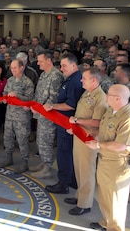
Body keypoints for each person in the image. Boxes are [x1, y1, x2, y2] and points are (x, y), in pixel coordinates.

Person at [86, 84, 130, 231]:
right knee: (104, 195)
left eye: (108, 94)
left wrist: (97, 145)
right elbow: (105, 131)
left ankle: (115, 228)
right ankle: (106, 222)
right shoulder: (112, 111)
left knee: (116, 200)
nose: (105, 95)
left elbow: (121, 146)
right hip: (105, 160)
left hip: (118, 165)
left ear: (117, 98)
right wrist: (94, 134)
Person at [63, 68, 107, 216]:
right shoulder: (87, 93)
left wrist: (76, 121)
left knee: (87, 171)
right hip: (80, 135)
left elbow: (97, 122)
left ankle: (85, 203)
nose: (81, 80)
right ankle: (79, 197)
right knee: (80, 169)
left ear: (94, 80)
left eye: (84, 78)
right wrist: (74, 127)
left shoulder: (100, 97)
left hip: (89, 139)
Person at [44, 53, 84, 194]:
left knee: (64, 153)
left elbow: (70, 105)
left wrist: (52, 106)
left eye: (64, 66)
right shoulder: (72, 79)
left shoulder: (75, 81)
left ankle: (64, 183)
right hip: (64, 123)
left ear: (74, 65)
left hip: (67, 124)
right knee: (68, 152)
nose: (61, 69)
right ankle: (71, 179)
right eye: (61, 66)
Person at [30, 50, 64, 179]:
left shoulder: (56, 76)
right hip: (40, 114)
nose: (38, 63)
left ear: (48, 60)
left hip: (49, 115)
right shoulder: (44, 74)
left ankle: (48, 168)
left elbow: (53, 99)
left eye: (40, 61)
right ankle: (44, 162)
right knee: (40, 139)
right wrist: (34, 106)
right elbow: (39, 92)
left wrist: (40, 109)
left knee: (46, 140)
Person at [0, 59, 34, 172]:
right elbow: (4, 92)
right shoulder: (10, 80)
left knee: (22, 140)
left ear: (21, 68)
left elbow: (30, 99)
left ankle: (25, 162)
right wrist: (4, 98)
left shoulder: (28, 82)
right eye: (11, 68)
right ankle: (9, 158)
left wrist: (17, 95)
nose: (12, 70)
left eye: (15, 68)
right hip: (9, 115)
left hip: (21, 117)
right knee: (7, 138)